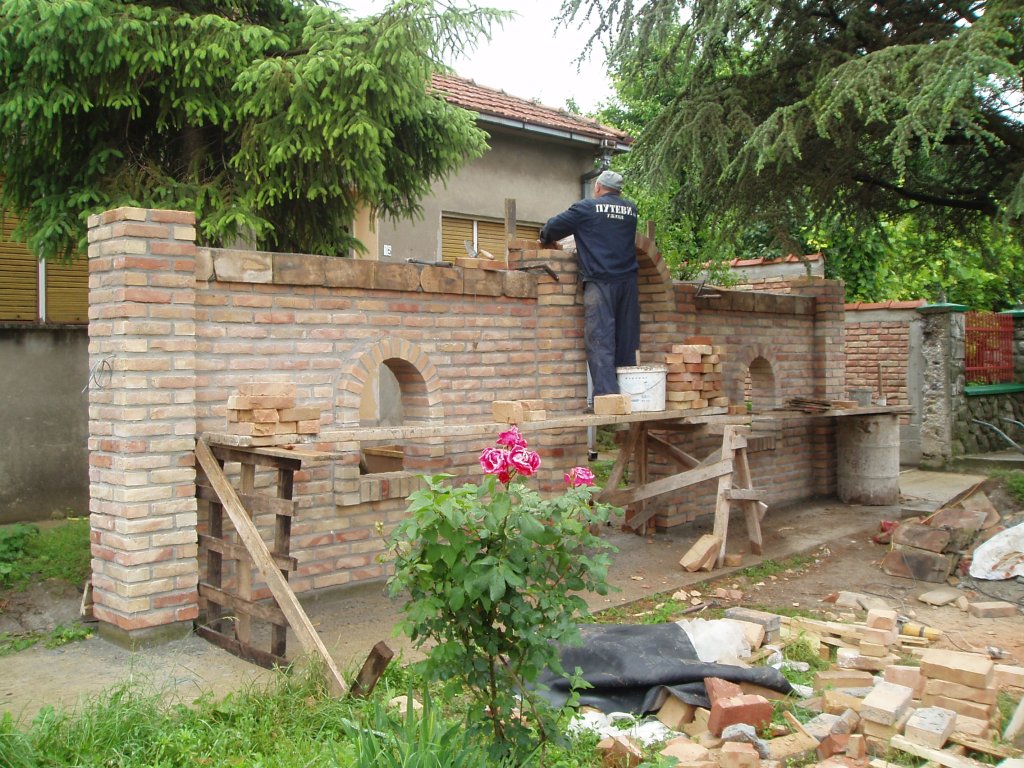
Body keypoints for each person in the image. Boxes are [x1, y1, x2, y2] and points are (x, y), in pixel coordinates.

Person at [540, 169, 640, 400]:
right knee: (626, 340)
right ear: (619, 190)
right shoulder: (631, 210)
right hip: (628, 284)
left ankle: (607, 398)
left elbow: (553, 227)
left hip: (601, 282)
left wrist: (544, 236)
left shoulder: (586, 208)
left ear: (597, 186)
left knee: (600, 339)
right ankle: (630, 396)